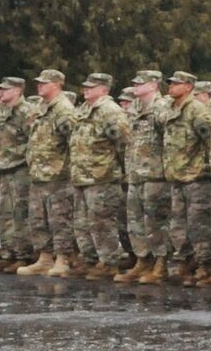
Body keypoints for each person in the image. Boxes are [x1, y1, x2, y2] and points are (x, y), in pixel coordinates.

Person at [69, 73, 133, 279]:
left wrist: (119, 172)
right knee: (82, 222)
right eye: (85, 86)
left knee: (101, 222)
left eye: (91, 87)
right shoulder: (85, 109)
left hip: (102, 176)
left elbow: (124, 144)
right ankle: (91, 259)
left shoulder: (110, 111)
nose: (85, 89)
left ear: (104, 89)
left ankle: (109, 262)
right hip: (82, 176)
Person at [160, 71, 211, 285]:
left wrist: (208, 167)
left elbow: (210, 140)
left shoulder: (196, 110)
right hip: (176, 176)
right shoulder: (172, 109)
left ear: (189, 87)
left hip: (196, 177)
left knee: (198, 224)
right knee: (178, 225)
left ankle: (206, 265)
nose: (171, 86)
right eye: (171, 83)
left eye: (176, 84)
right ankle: (186, 261)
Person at [18, 70, 74, 277]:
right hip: (39, 173)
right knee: (38, 219)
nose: (39, 86)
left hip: (57, 175)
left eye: (45, 83)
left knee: (59, 219)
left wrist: (65, 167)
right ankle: (44, 257)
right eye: (39, 83)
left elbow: (72, 141)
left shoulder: (63, 109)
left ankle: (63, 258)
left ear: (57, 84)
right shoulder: (40, 108)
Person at [121, 70, 172, 285]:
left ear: (153, 85)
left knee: (155, 221)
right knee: (135, 221)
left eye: (140, 83)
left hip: (155, 174)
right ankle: (143, 260)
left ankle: (160, 263)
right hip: (135, 173)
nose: (135, 86)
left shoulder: (161, 108)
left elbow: (169, 140)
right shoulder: (134, 108)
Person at [0, 77, 35, 271]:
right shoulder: (4, 112)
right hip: (4, 169)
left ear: (17, 91)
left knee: (20, 213)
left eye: (6, 89)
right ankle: (10, 252)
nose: (1, 93)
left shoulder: (26, 112)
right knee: (5, 213)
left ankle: (24, 255)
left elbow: (34, 140)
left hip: (20, 169)